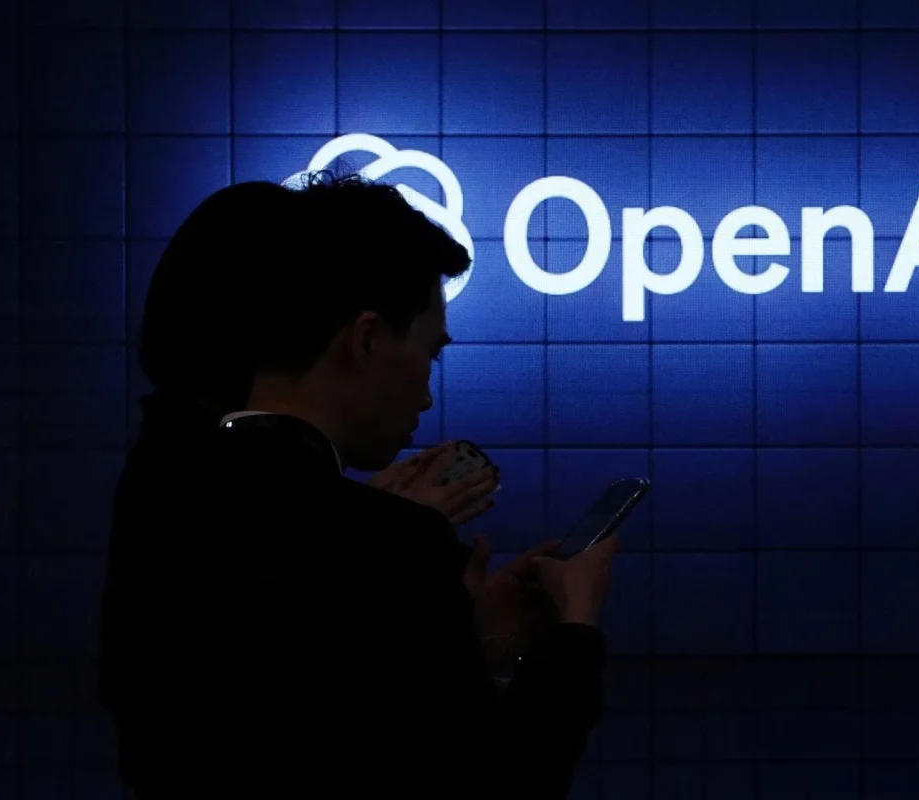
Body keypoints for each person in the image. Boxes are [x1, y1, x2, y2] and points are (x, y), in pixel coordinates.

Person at [98, 174, 616, 799]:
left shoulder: (158, 490)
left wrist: (456, 635)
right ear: (366, 339)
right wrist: (574, 632)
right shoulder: (391, 544)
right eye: (432, 353)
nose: (427, 394)